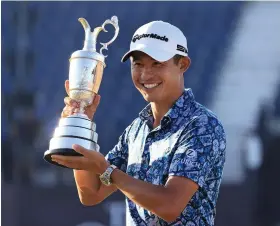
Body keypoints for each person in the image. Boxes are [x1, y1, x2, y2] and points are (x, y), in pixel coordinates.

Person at [52, 20, 226, 226]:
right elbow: (92, 193)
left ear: (183, 64)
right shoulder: (136, 130)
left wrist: (108, 170)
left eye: (157, 63)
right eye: (138, 64)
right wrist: (81, 125)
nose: (145, 74)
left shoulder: (202, 125)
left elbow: (170, 205)